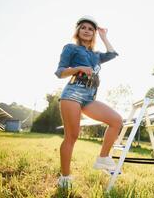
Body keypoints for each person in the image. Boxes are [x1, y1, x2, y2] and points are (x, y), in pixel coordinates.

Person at [54, 15, 123, 188]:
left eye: (90, 29)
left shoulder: (95, 55)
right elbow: (60, 71)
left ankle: (102, 158)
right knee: (72, 136)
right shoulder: (70, 48)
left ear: (93, 34)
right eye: (83, 27)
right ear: (78, 31)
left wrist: (104, 36)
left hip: (90, 97)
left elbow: (113, 54)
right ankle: (65, 178)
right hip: (73, 93)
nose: (87, 31)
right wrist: (78, 68)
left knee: (116, 120)